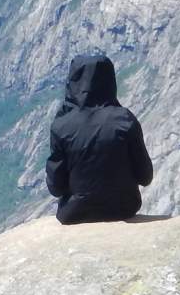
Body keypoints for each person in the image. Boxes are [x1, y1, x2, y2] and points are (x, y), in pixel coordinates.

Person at [44, 53, 153, 224]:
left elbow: (55, 187)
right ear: (110, 81)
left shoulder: (61, 126)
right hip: (123, 208)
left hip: (75, 213)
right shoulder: (125, 120)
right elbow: (145, 177)